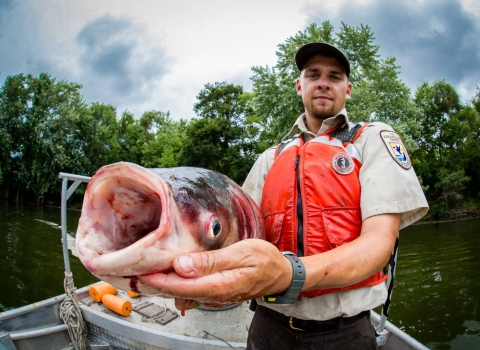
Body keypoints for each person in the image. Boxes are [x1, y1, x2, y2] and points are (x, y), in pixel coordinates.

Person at [139, 43, 429, 349]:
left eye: (335, 76)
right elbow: (236, 239)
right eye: (313, 74)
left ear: (348, 90)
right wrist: (198, 280)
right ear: (298, 85)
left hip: (344, 334)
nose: (323, 82)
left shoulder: (373, 139)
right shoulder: (269, 158)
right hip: (267, 328)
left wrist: (291, 274)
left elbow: (379, 244)